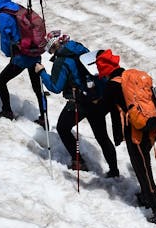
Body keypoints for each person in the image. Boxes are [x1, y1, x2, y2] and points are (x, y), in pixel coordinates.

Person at [39, 33, 119, 177]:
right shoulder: (79, 49)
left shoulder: (61, 61)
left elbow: (55, 87)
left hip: (79, 102)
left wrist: (42, 72)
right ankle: (114, 170)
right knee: (102, 136)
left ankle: (78, 161)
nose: (49, 52)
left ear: (53, 46)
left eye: (49, 49)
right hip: (97, 98)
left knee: (63, 128)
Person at [102, 53, 156, 228]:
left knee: (144, 171)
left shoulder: (112, 87)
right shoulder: (131, 77)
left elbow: (102, 108)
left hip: (136, 133)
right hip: (150, 127)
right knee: (142, 166)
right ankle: (146, 197)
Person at [0, 0, 45, 125]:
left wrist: (8, 53)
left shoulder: (3, 17)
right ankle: (44, 117)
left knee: (1, 81)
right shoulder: (17, 7)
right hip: (35, 52)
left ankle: (7, 111)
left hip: (22, 56)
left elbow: (6, 40)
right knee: (38, 87)